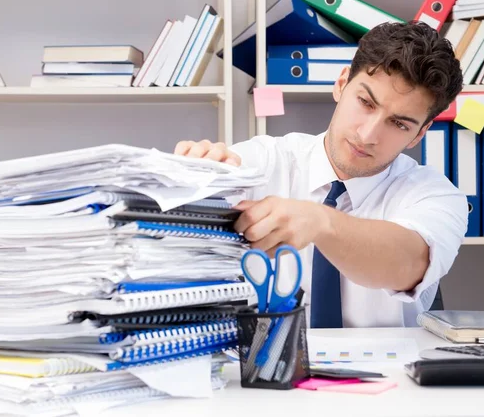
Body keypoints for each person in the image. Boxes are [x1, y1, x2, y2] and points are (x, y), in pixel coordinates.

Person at [174, 21, 467, 328]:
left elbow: (409, 263)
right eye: (366, 103)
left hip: (387, 374)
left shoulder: (435, 194)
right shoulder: (262, 162)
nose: (368, 135)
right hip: (266, 367)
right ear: (341, 84)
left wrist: (321, 223)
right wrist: (191, 180)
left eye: (399, 125)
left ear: (420, 134)